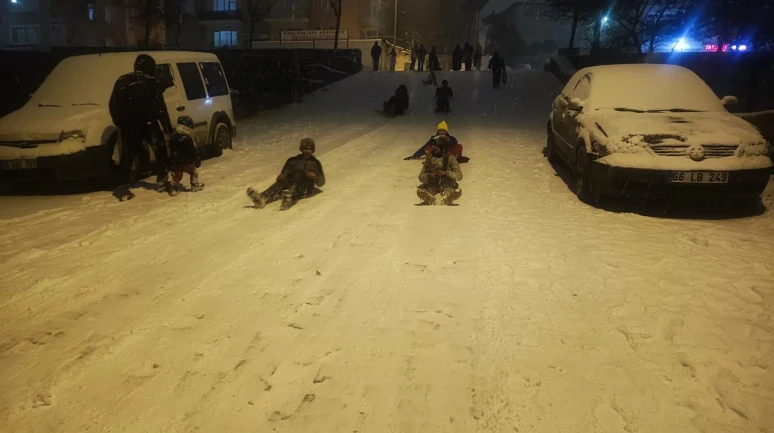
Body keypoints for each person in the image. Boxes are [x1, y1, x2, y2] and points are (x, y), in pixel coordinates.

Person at [109, 53, 174, 201]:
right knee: (160, 151)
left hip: (129, 126)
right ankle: (162, 181)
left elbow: (113, 105)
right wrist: (167, 128)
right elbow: (160, 108)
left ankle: (124, 187)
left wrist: (120, 123)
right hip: (148, 124)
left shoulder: (121, 81)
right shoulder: (151, 82)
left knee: (128, 155)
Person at [246, 138, 325, 211]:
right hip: (291, 182)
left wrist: (315, 177)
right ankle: (262, 198)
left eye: (309, 150)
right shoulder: (292, 160)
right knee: (280, 184)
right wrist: (281, 176)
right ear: (301, 149)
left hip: (306, 185)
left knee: (297, 186)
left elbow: (321, 182)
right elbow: (283, 174)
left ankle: (289, 199)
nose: (307, 152)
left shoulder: (315, 163)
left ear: (313, 150)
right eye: (305, 149)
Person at [416, 135, 463, 206]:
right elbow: (421, 177)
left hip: (447, 184)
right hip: (432, 184)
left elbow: (459, 176)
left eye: (436, 146)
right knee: (421, 191)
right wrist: (429, 175)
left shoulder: (451, 158)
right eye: (433, 146)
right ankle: (430, 199)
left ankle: (446, 198)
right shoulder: (430, 158)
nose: (434, 148)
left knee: (455, 191)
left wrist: (446, 173)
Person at [167, 116, 204, 196]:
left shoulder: (174, 137)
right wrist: (196, 159)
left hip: (176, 163)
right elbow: (192, 151)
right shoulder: (187, 139)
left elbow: (171, 148)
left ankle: (174, 187)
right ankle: (194, 185)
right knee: (193, 172)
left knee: (177, 176)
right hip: (187, 162)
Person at [404, 120, 468, 163]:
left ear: (446, 131)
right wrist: (414, 156)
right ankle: (432, 161)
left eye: (443, 130)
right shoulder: (434, 139)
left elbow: (455, 149)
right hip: (437, 157)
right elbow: (424, 148)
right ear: (437, 131)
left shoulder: (452, 138)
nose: (442, 132)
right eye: (440, 130)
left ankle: (450, 161)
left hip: (448, 156)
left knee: (459, 146)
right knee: (428, 147)